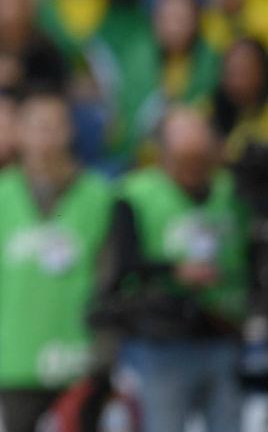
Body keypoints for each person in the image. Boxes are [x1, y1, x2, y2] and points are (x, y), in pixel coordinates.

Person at [0, 90, 115, 432]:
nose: (47, 136)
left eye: (55, 126)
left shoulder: (99, 195)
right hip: (16, 358)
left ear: (70, 131)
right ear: (19, 133)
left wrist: (105, 356)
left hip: (79, 360)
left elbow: (110, 282)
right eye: (38, 126)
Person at [94, 108, 249, 432]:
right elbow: (122, 266)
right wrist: (174, 270)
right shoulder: (136, 193)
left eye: (200, 157)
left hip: (225, 330)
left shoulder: (232, 189)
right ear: (163, 154)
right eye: (184, 158)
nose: (193, 168)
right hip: (162, 336)